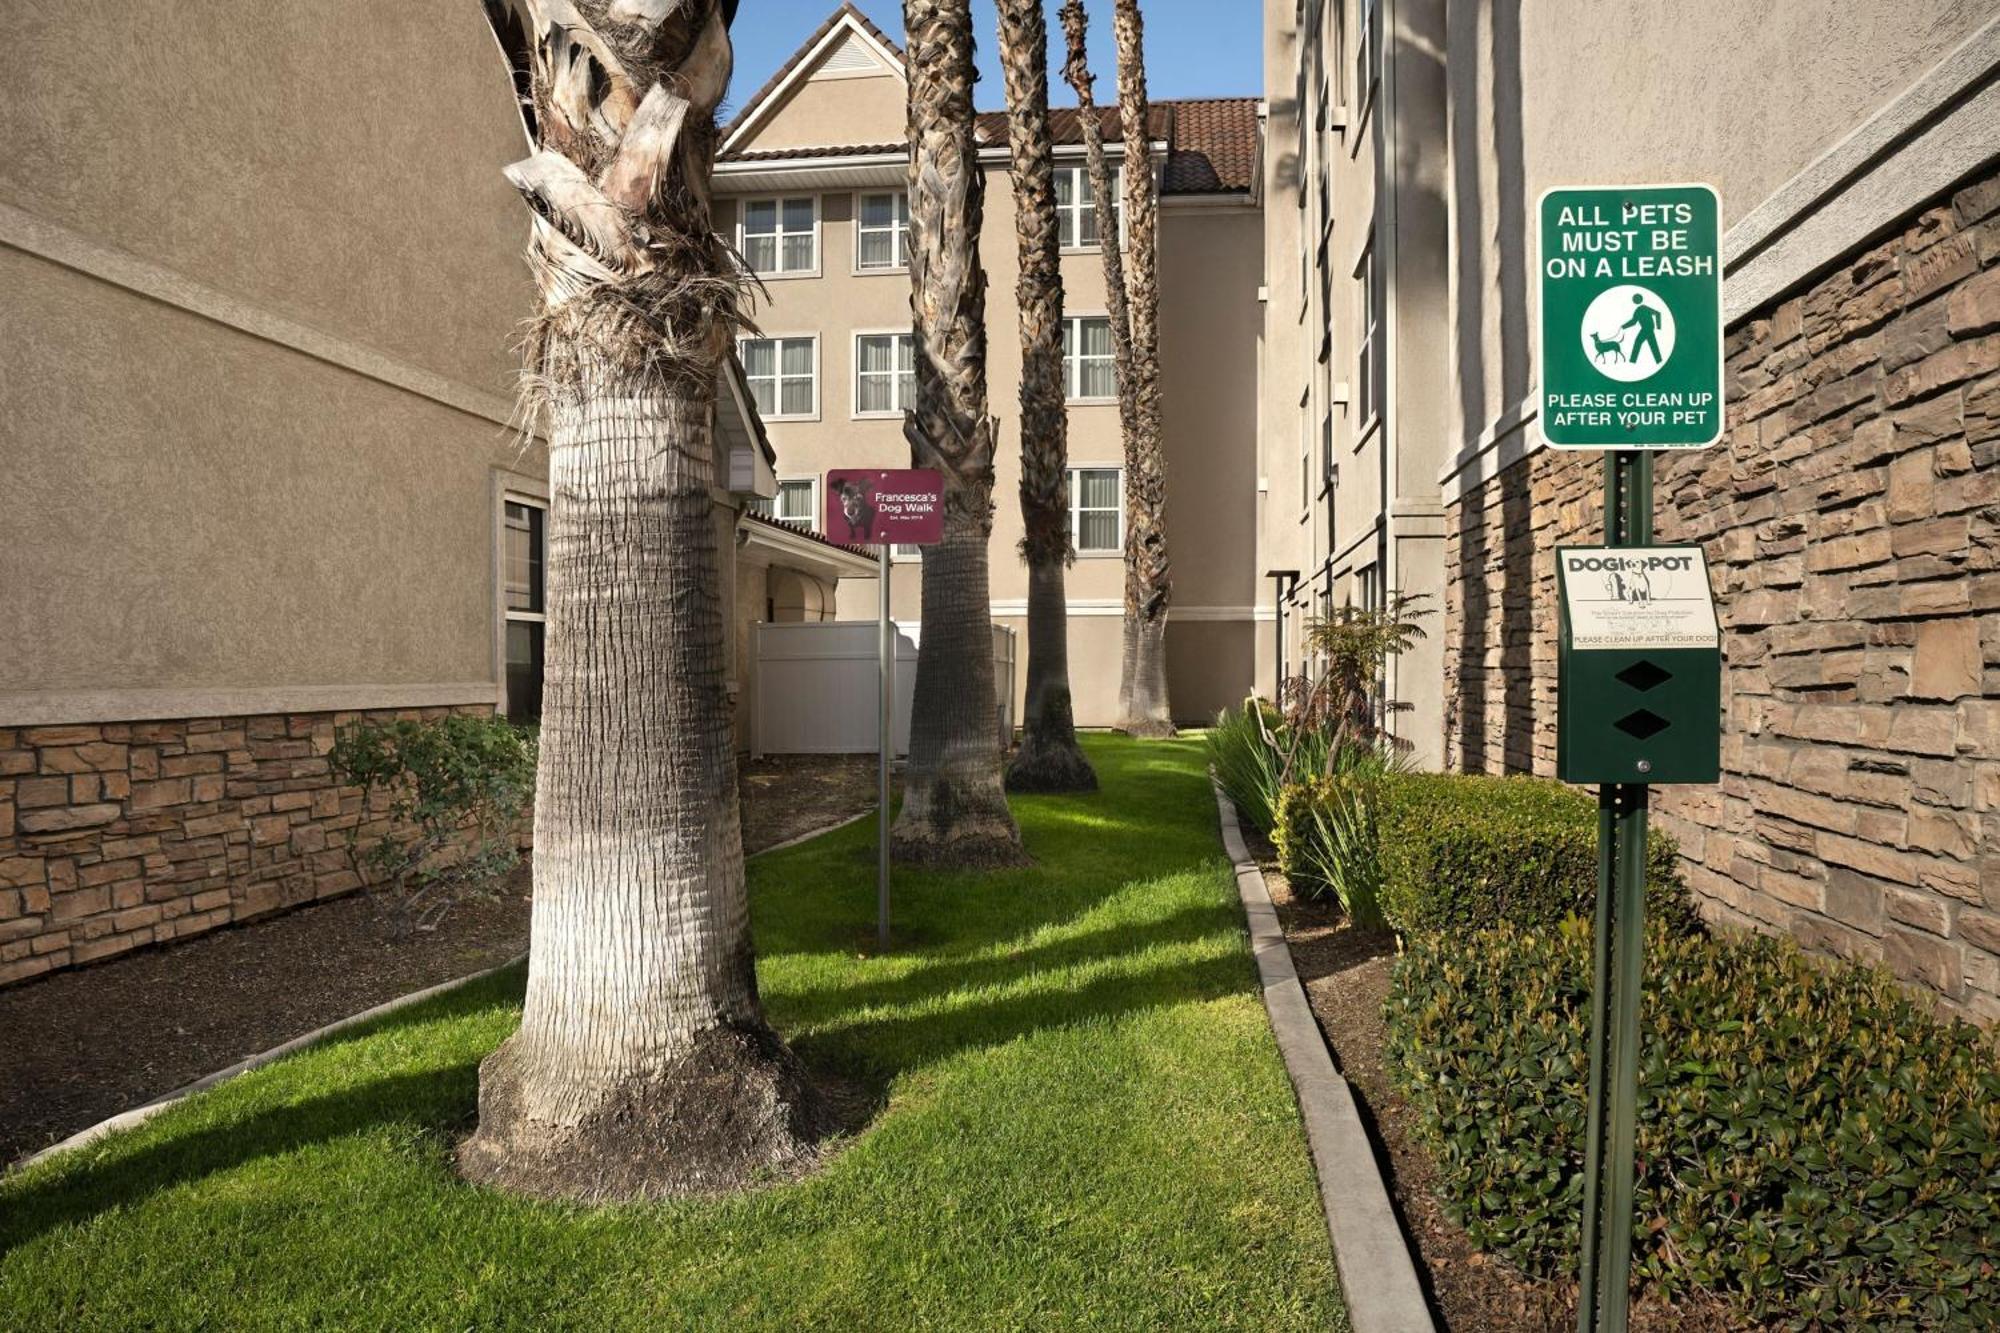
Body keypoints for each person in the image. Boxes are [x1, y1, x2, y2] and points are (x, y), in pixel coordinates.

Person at [1622, 292, 1664, 366]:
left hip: (1647, 329)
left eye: (1636, 299)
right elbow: (1634, 322)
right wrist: (1623, 326)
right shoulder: (1638, 310)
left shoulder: (1644, 308)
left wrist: (1658, 327)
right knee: (1652, 344)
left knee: (1639, 342)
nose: (1636, 300)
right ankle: (1659, 360)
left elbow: (1658, 313)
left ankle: (1632, 361)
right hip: (1647, 329)